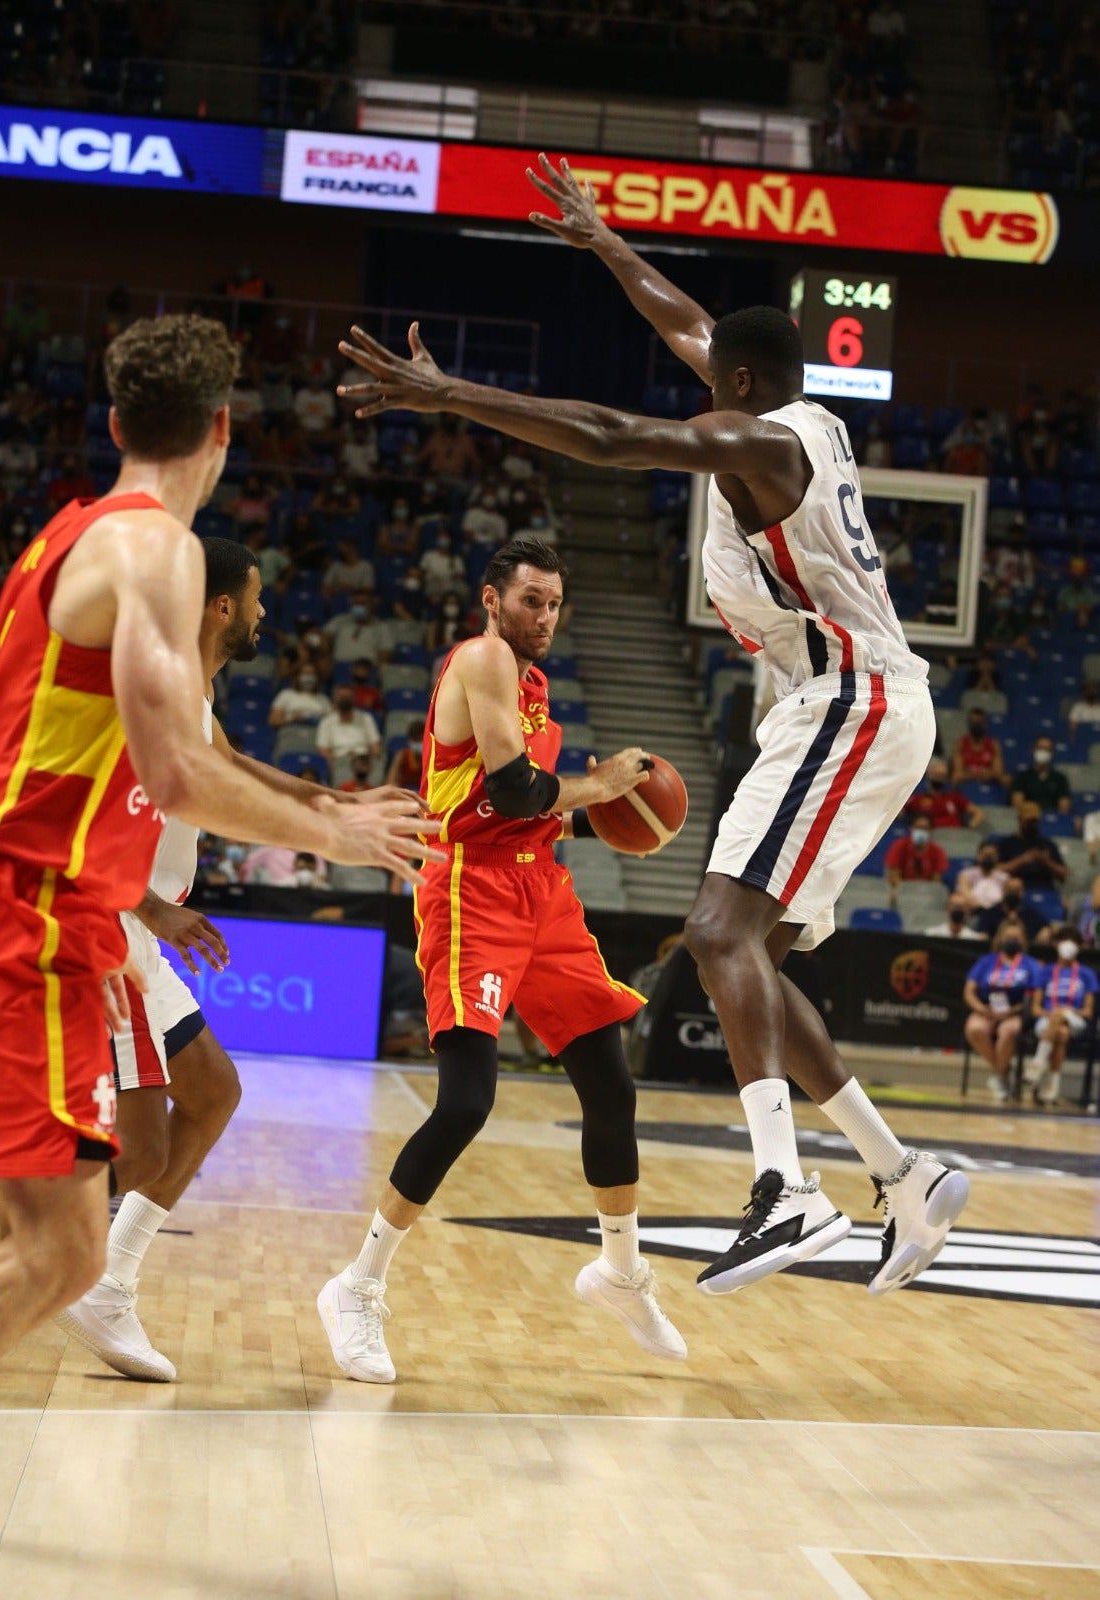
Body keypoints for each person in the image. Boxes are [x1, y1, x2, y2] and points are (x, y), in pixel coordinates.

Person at [0, 313, 440, 1557]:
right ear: (221, 433)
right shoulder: (158, 550)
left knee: (28, 1196)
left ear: (119, 423)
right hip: (13, 894)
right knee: (63, 1248)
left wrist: (317, 800)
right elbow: (174, 772)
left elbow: (172, 742)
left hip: (56, 905)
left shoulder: (81, 532)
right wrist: (332, 841)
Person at [334, 153, 970, 1301]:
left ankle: (784, 1191)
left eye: (706, 378)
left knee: (717, 933)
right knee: (755, 963)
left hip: (849, 701)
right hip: (846, 705)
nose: (695, 384)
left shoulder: (761, 443)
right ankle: (904, 1172)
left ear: (734, 386)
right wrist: (603, 242)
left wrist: (453, 395)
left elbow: (612, 433)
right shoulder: (788, 414)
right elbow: (687, 326)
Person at [318, 536, 687, 1384]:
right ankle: (356, 1286)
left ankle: (621, 1271)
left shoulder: (532, 682)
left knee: (611, 1082)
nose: (545, 616)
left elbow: (535, 811)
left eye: (555, 603)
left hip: (539, 890)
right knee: (466, 1103)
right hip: (469, 893)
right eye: (531, 600)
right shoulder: (482, 658)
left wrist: (591, 815)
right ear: (491, 599)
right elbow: (515, 789)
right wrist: (602, 790)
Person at [964, 922, 1040, 1102]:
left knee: (1009, 1031)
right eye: (1009, 938)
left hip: (1015, 1011)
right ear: (999, 939)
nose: (1012, 941)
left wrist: (1013, 1010)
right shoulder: (986, 961)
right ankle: (1006, 1072)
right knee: (975, 1029)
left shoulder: (1031, 964)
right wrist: (981, 1008)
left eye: (1016, 938)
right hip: (987, 1009)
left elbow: (1036, 995)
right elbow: (969, 991)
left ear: (1023, 941)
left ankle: (998, 1077)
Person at [1027, 930, 1098, 1107]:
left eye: (1073, 941)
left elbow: (1088, 1012)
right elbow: (1035, 1009)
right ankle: (1052, 1088)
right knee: (1061, 1033)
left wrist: (1068, 1011)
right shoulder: (1046, 971)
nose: (1068, 944)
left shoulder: (1087, 974)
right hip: (1047, 1020)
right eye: (1064, 940)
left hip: (1075, 1019)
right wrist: (1053, 1014)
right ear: (1056, 945)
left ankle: (1037, 1066)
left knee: (1062, 1019)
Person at [995, 802, 1068, 891]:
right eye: (1029, 822)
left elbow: (1064, 875)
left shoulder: (1047, 844)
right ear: (1019, 820)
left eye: (1035, 822)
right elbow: (996, 870)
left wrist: (1047, 862)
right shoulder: (1007, 844)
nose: (1033, 825)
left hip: (1045, 891)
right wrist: (1022, 860)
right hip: (1016, 892)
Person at [905, 757, 982, 829]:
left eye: (942, 776)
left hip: (954, 837)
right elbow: (900, 810)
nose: (939, 779)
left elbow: (977, 812)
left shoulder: (954, 797)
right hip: (930, 837)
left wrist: (971, 826)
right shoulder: (917, 798)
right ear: (928, 775)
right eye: (936, 775)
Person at [884, 814, 948, 899]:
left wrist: (922, 892)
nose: (921, 831)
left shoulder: (937, 851)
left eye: (925, 828)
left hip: (927, 892)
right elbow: (893, 877)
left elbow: (936, 881)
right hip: (903, 891)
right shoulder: (899, 846)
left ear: (931, 831)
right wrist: (910, 891)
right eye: (918, 828)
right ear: (911, 828)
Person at [316, 687, 381, 768]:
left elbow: (375, 748)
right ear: (334, 699)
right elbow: (323, 750)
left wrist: (368, 761)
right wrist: (337, 762)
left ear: (353, 698)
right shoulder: (326, 721)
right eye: (342, 697)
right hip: (338, 762)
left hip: (363, 761)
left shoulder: (365, 718)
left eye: (347, 697)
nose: (345, 700)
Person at [975, 877, 1048, 943]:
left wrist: (1045, 930)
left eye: (1016, 890)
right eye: (1010, 890)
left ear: (1022, 892)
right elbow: (983, 936)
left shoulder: (1031, 915)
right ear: (1003, 891)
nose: (1013, 893)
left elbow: (1046, 927)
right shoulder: (990, 913)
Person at [1011, 737, 1072, 815]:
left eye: (1047, 749)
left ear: (1052, 753)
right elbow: (1017, 803)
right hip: (1029, 818)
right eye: (1040, 748)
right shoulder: (1022, 777)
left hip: (1052, 819)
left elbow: (1064, 807)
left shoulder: (1060, 778)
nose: (1043, 752)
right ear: (1033, 750)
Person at [951, 707, 1007, 787]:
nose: (976, 726)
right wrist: (979, 774)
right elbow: (958, 773)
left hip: (989, 784)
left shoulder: (994, 744)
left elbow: (998, 772)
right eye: (974, 723)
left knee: (1005, 779)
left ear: (985, 724)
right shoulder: (960, 743)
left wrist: (989, 774)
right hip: (966, 785)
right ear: (968, 723)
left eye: (979, 723)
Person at [956, 843, 1011, 913]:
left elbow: (1006, 901)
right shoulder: (966, 874)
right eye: (986, 855)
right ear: (979, 856)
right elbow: (966, 895)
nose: (988, 858)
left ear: (997, 857)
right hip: (974, 910)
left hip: (997, 912)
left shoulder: (1004, 878)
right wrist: (983, 906)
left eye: (991, 856)